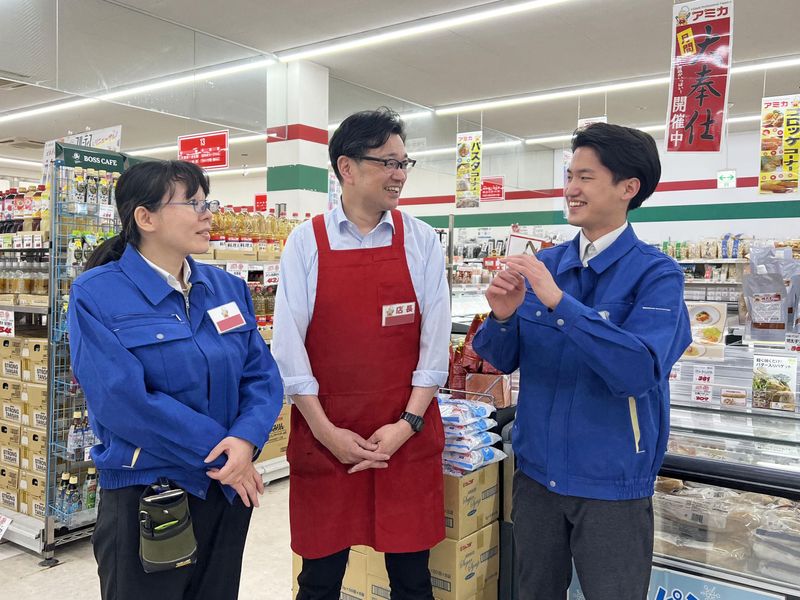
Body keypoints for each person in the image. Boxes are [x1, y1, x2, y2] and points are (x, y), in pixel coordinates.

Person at [473, 123, 691, 600]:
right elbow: (498, 357)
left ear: (628, 188)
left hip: (612, 483)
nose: (570, 189)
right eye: (569, 175)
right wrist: (504, 317)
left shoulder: (657, 275)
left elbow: (638, 372)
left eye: (586, 177)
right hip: (536, 477)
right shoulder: (544, 262)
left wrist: (560, 305)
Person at [68, 160, 284, 600]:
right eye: (194, 204)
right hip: (149, 492)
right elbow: (121, 399)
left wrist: (244, 441)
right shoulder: (96, 293)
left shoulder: (226, 287)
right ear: (145, 218)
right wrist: (221, 452)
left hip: (226, 490)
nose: (208, 214)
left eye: (208, 203)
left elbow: (261, 374)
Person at [272, 107, 451, 600]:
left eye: (404, 163)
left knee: (413, 581)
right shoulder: (306, 242)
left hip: (404, 437)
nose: (399, 175)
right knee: (320, 580)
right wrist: (327, 432)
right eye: (388, 162)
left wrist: (406, 425)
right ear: (347, 168)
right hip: (328, 437)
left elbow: (435, 346)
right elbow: (288, 348)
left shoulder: (420, 241)